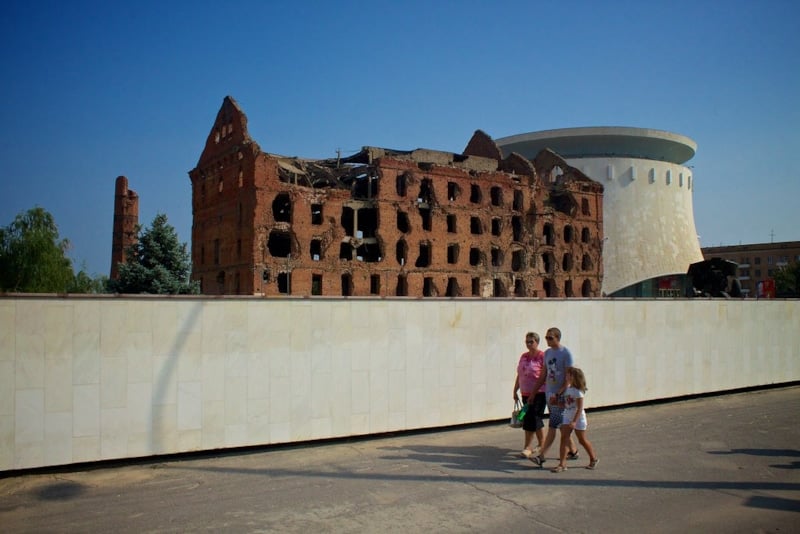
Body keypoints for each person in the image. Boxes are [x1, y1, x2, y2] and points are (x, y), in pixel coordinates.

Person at [529, 327, 578, 467]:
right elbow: (543, 374)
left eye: (550, 338)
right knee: (561, 425)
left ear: (557, 338)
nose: (547, 340)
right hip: (550, 394)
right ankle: (573, 451)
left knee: (553, 426)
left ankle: (542, 456)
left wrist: (559, 393)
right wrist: (534, 392)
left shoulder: (566, 353)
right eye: (546, 337)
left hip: (560, 395)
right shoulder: (548, 353)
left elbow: (569, 377)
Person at [550, 367, 599, 472]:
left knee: (582, 440)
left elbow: (579, 408)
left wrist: (574, 421)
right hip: (567, 416)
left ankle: (593, 458)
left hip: (578, 418)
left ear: (574, 377)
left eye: (568, 375)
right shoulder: (568, 388)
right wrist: (556, 403)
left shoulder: (578, 392)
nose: (566, 376)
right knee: (564, 438)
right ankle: (562, 464)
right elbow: (567, 404)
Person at [512, 332, 546, 458]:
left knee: (531, 418)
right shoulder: (524, 356)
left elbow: (543, 375)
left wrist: (534, 392)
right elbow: (520, 374)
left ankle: (528, 446)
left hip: (539, 393)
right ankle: (542, 443)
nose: (529, 344)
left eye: (531, 341)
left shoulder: (542, 356)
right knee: (533, 418)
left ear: (537, 342)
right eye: (527, 342)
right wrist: (515, 389)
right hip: (525, 392)